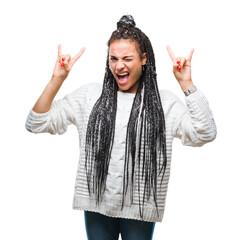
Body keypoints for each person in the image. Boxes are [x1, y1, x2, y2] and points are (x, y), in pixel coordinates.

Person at [25, 15, 217, 240]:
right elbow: (36, 123)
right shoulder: (90, 96)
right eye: (113, 58)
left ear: (144, 59)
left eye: (127, 58)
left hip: (139, 210)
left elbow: (205, 132)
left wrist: (186, 83)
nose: (119, 65)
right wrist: (57, 78)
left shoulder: (163, 104)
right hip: (96, 206)